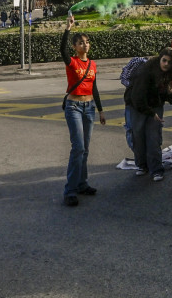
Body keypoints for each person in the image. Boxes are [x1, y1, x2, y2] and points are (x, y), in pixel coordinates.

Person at [60, 13, 106, 206]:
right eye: (80, 43)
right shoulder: (72, 62)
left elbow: (94, 87)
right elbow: (61, 50)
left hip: (90, 108)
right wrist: (68, 28)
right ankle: (70, 190)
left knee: (85, 149)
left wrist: (101, 110)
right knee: (77, 148)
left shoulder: (92, 64)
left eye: (87, 42)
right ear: (75, 47)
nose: (84, 45)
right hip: (74, 107)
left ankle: (82, 184)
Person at [129, 47, 172, 181]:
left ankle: (156, 170)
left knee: (153, 137)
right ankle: (142, 165)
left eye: (169, 63)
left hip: (156, 105)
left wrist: (171, 90)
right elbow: (137, 97)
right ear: (159, 59)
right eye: (164, 61)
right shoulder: (146, 70)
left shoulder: (171, 74)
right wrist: (150, 113)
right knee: (138, 136)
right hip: (138, 105)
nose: (166, 64)